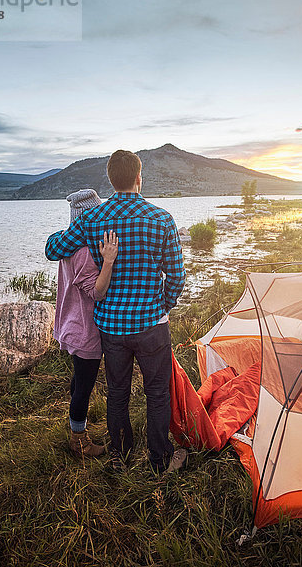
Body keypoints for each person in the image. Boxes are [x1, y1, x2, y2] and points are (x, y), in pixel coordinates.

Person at [45, 150, 186, 473]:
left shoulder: (92, 220)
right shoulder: (161, 218)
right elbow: (177, 276)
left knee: (118, 393)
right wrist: (161, 307)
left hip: (111, 328)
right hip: (152, 324)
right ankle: (160, 460)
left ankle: (120, 458)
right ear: (139, 178)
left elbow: (53, 249)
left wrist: (61, 233)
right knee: (157, 393)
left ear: (110, 180)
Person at [53, 189, 118, 457]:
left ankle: (76, 424)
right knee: (83, 388)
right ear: (88, 218)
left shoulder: (68, 245)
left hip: (70, 325)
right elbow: (97, 292)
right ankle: (78, 441)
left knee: (79, 380)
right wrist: (109, 261)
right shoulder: (82, 252)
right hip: (84, 331)